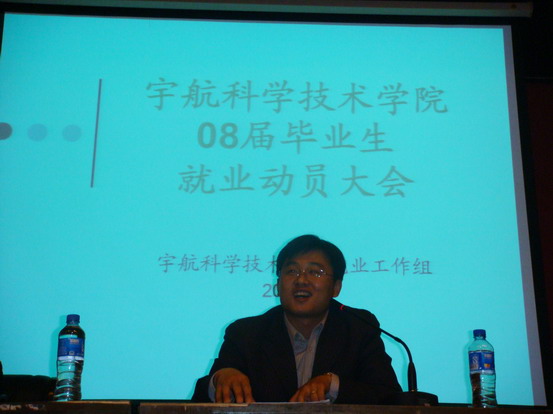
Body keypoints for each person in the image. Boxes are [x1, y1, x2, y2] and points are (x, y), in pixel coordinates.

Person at [192, 235, 401, 404]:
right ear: (278, 284)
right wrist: (220, 378)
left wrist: (332, 385)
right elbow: (199, 400)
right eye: (291, 271)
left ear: (336, 287)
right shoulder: (246, 333)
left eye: (315, 272)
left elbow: (389, 395)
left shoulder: (358, 328)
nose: (301, 280)